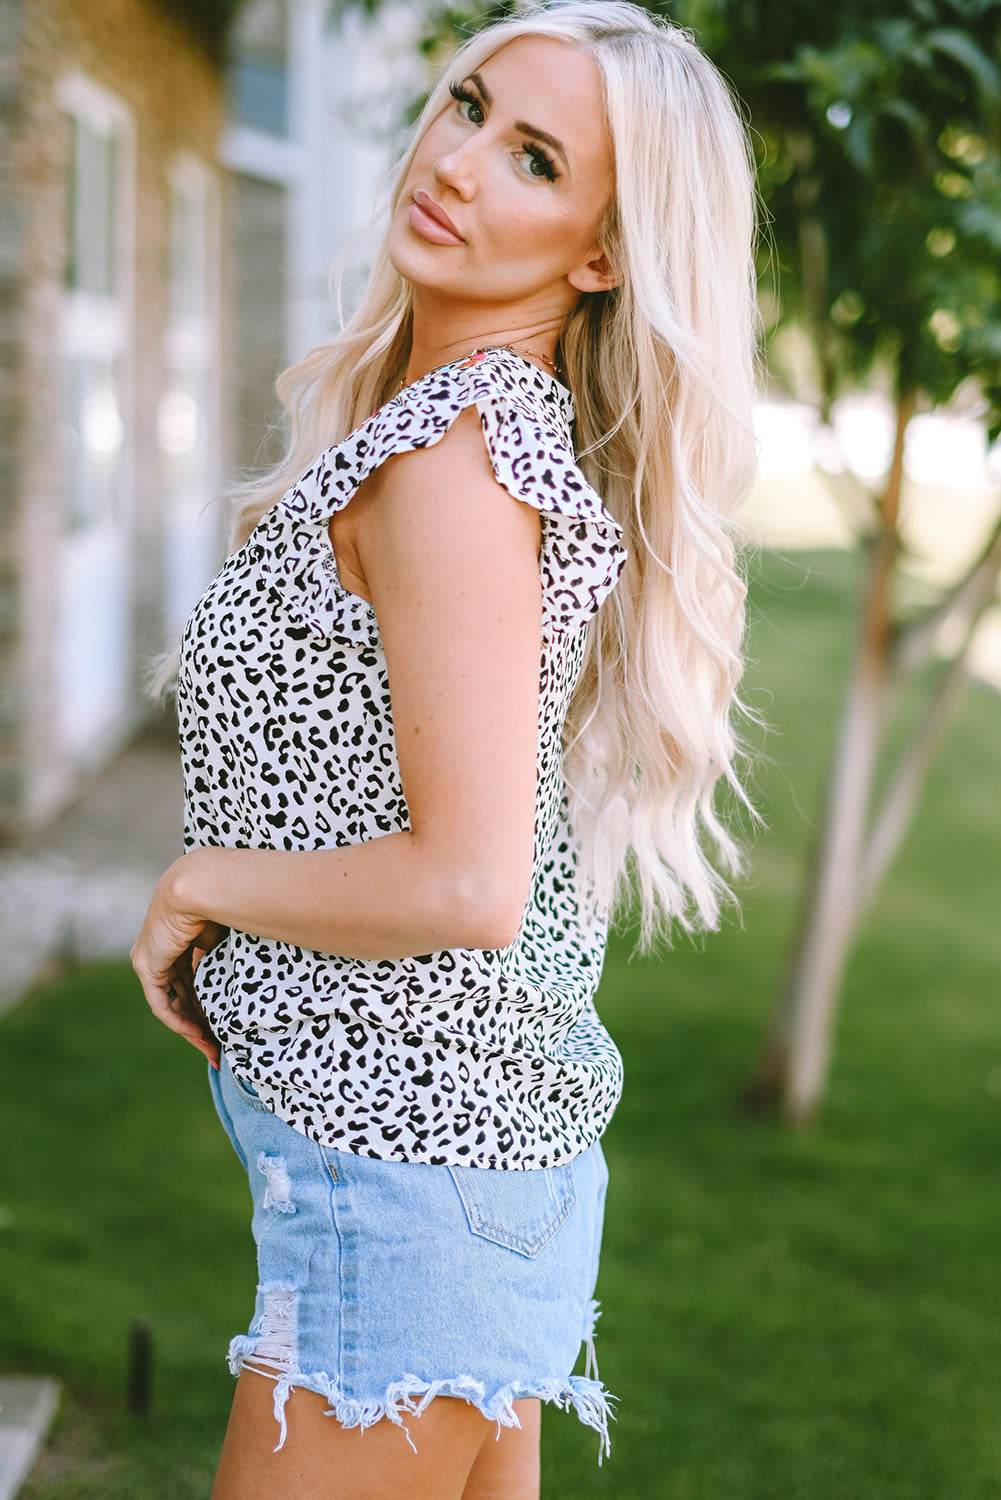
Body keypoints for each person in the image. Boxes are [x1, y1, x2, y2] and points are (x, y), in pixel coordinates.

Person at [131, 2, 763, 1495]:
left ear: (600, 252)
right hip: (453, 1178)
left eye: (534, 158)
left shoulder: (457, 464)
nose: (460, 161)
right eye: (470, 104)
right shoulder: (467, 426)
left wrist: (196, 887)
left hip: (405, 1190)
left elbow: (466, 881)